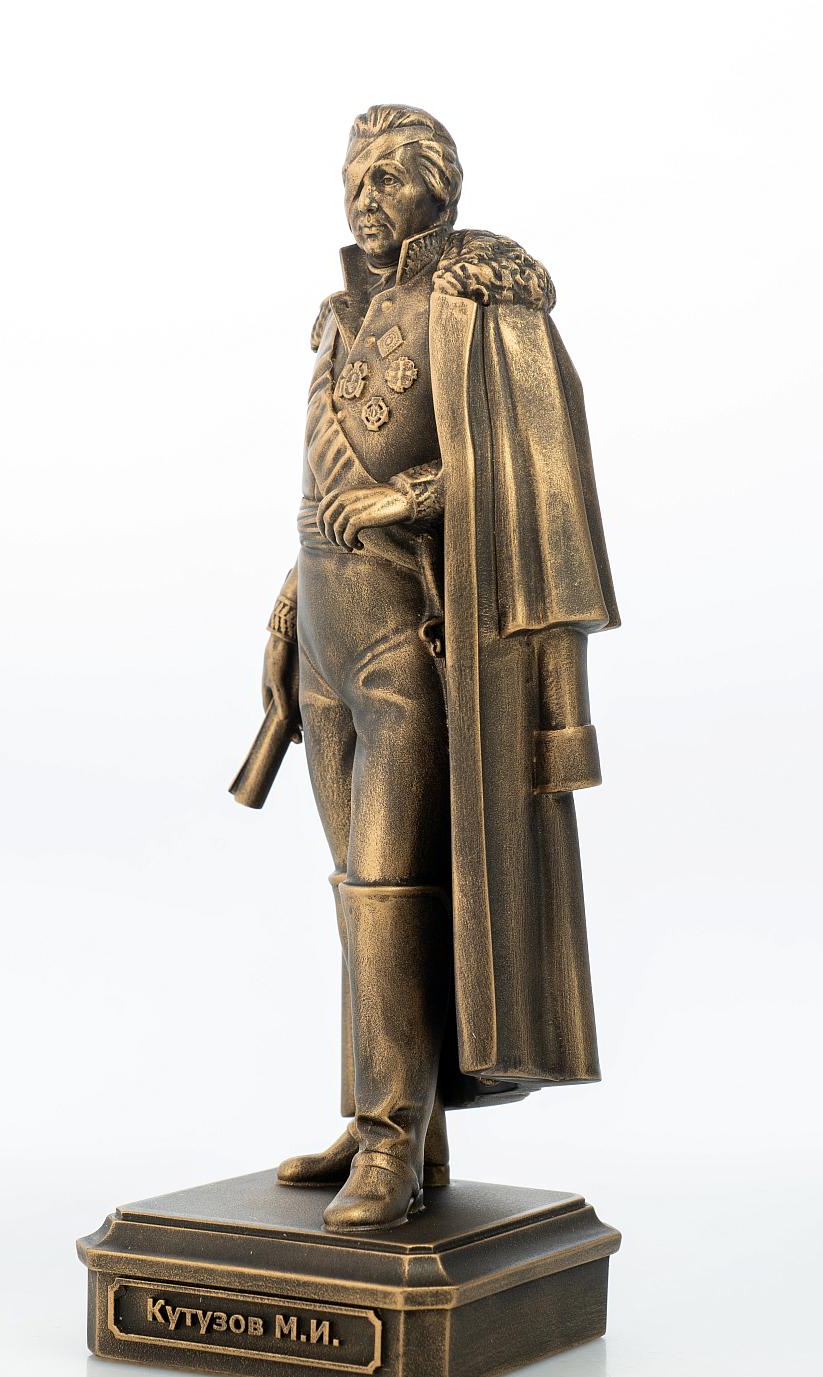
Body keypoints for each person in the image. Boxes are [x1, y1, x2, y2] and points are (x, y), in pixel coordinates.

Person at [256, 105, 618, 1233]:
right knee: (360, 898)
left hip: (409, 646)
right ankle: (402, 1112)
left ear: (438, 191)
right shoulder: (342, 315)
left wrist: (402, 500)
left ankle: (389, 1138)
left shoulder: (479, 302)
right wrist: (287, 604)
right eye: (353, 176)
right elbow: (321, 490)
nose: (363, 196)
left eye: (388, 177)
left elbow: (526, 474)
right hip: (325, 638)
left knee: (387, 887)